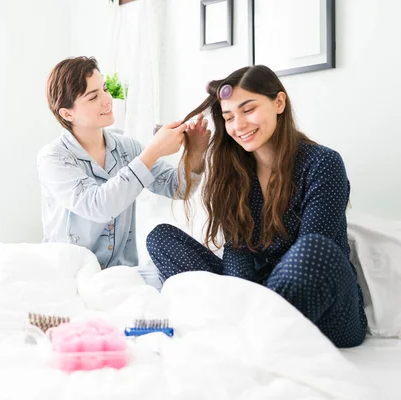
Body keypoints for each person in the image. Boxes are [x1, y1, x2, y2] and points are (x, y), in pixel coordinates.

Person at [146, 65, 367, 348]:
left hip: (327, 311)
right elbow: (238, 255)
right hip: (257, 300)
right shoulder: (235, 174)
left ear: (279, 103)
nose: (238, 125)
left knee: (313, 249)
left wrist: (248, 303)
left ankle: (246, 334)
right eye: (229, 117)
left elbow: (315, 250)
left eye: (248, 110)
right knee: (161, 237)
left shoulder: (322, 164)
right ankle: (246, 330)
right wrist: (242, 298)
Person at [37, 56, 209, 286]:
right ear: (67, 114)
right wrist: (153, 151)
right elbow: (99, 206)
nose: (107, 99)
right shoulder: (54, 158)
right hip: (68, 276)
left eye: (104, 89)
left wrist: (195, 152)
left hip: (120, 275)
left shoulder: (128, 148)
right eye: (93, 96)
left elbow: (179, 189)